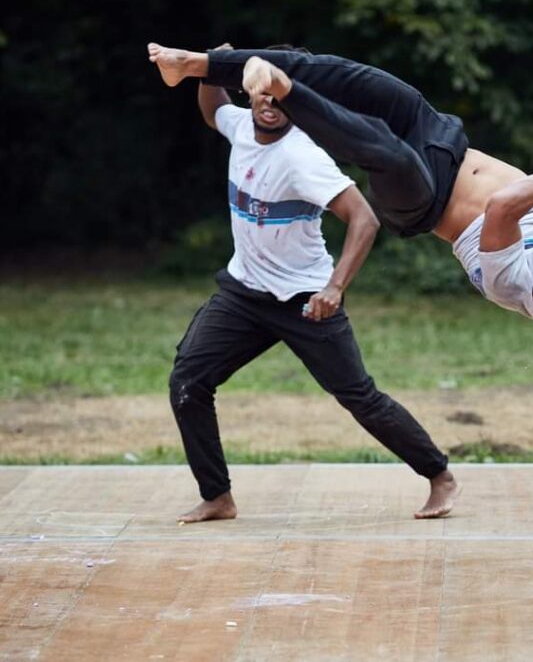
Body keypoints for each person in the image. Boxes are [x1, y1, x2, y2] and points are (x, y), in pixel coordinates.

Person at [148, 43, 533, 418]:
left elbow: (506, 206)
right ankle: (198, 64)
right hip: (444, 140)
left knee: (383, 154)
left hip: (423, 201)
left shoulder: (513, 288)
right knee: (354, 77)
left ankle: (284, 91)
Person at [167, 47, 459, 523]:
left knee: (358, 396)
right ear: (251, 91)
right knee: (188, 382)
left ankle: (439, 475)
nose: (268, 104)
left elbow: (364, 220)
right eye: (260, 94)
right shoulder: (242, 126)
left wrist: (334, 288)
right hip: (244, 293)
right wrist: (212, 66)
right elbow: (214, 109)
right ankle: (217, 496)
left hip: (306, 300)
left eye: (279, 97)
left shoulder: (303, 157)